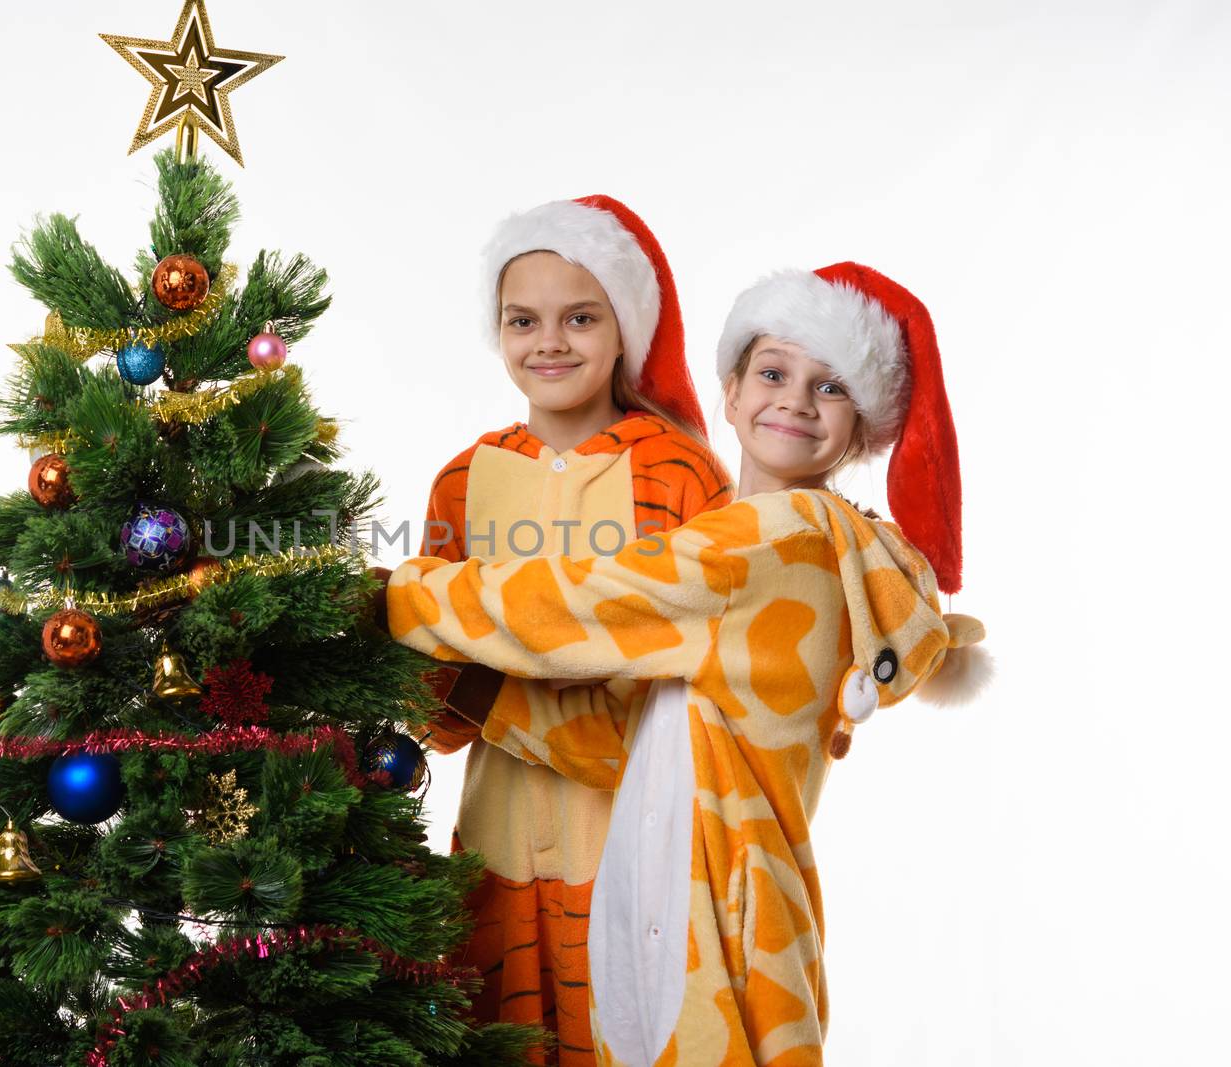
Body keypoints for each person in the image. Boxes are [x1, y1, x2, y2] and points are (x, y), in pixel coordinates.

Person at [386, 263, 986, 1066]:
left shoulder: (775, 541)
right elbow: (621, 740)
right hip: (687, 900)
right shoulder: (754, 538)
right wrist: (477, 693)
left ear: (863, 425)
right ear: (731, 394)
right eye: (774, 373)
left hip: (718, 921)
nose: (796, 402)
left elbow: (575, 602)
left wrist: (399, 593)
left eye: (831, 387)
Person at [418, 196, 733, 1064]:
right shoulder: (462, 481)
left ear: (623, 327)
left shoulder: (677, 473)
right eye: (524, 320)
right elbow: (435, 700)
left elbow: (699, 666)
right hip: (494, 848)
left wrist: (507, 675)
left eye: (580, 318)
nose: (549, 342)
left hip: (633, 848)